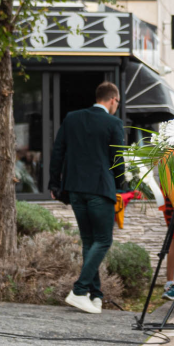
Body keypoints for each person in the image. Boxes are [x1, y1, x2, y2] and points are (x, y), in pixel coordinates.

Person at [48, 81, 128, 314]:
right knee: (103, 240)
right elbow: (118, 160)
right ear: (112, 100)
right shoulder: (113, 123)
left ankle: (95, 295)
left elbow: (58, 151)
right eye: (118, 103)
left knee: (89, 241)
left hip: (75, 190)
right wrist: (121, 184)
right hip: (100, 190)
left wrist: (55, 183)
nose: (117, 107)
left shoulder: (72, 118)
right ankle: (80, 290)